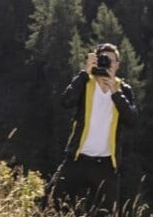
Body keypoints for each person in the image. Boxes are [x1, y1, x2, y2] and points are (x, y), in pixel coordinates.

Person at [49, 43, 138, 214]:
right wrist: (84, 73)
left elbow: (132, 121)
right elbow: (65, 101)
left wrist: (115, 93)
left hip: (105, 165)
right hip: (77, 160)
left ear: (118, 65)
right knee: (52, 204)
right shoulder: (85, 83)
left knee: (107, 212)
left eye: (111, 61)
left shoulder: (124, 90)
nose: (107, 64)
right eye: (103, 59)